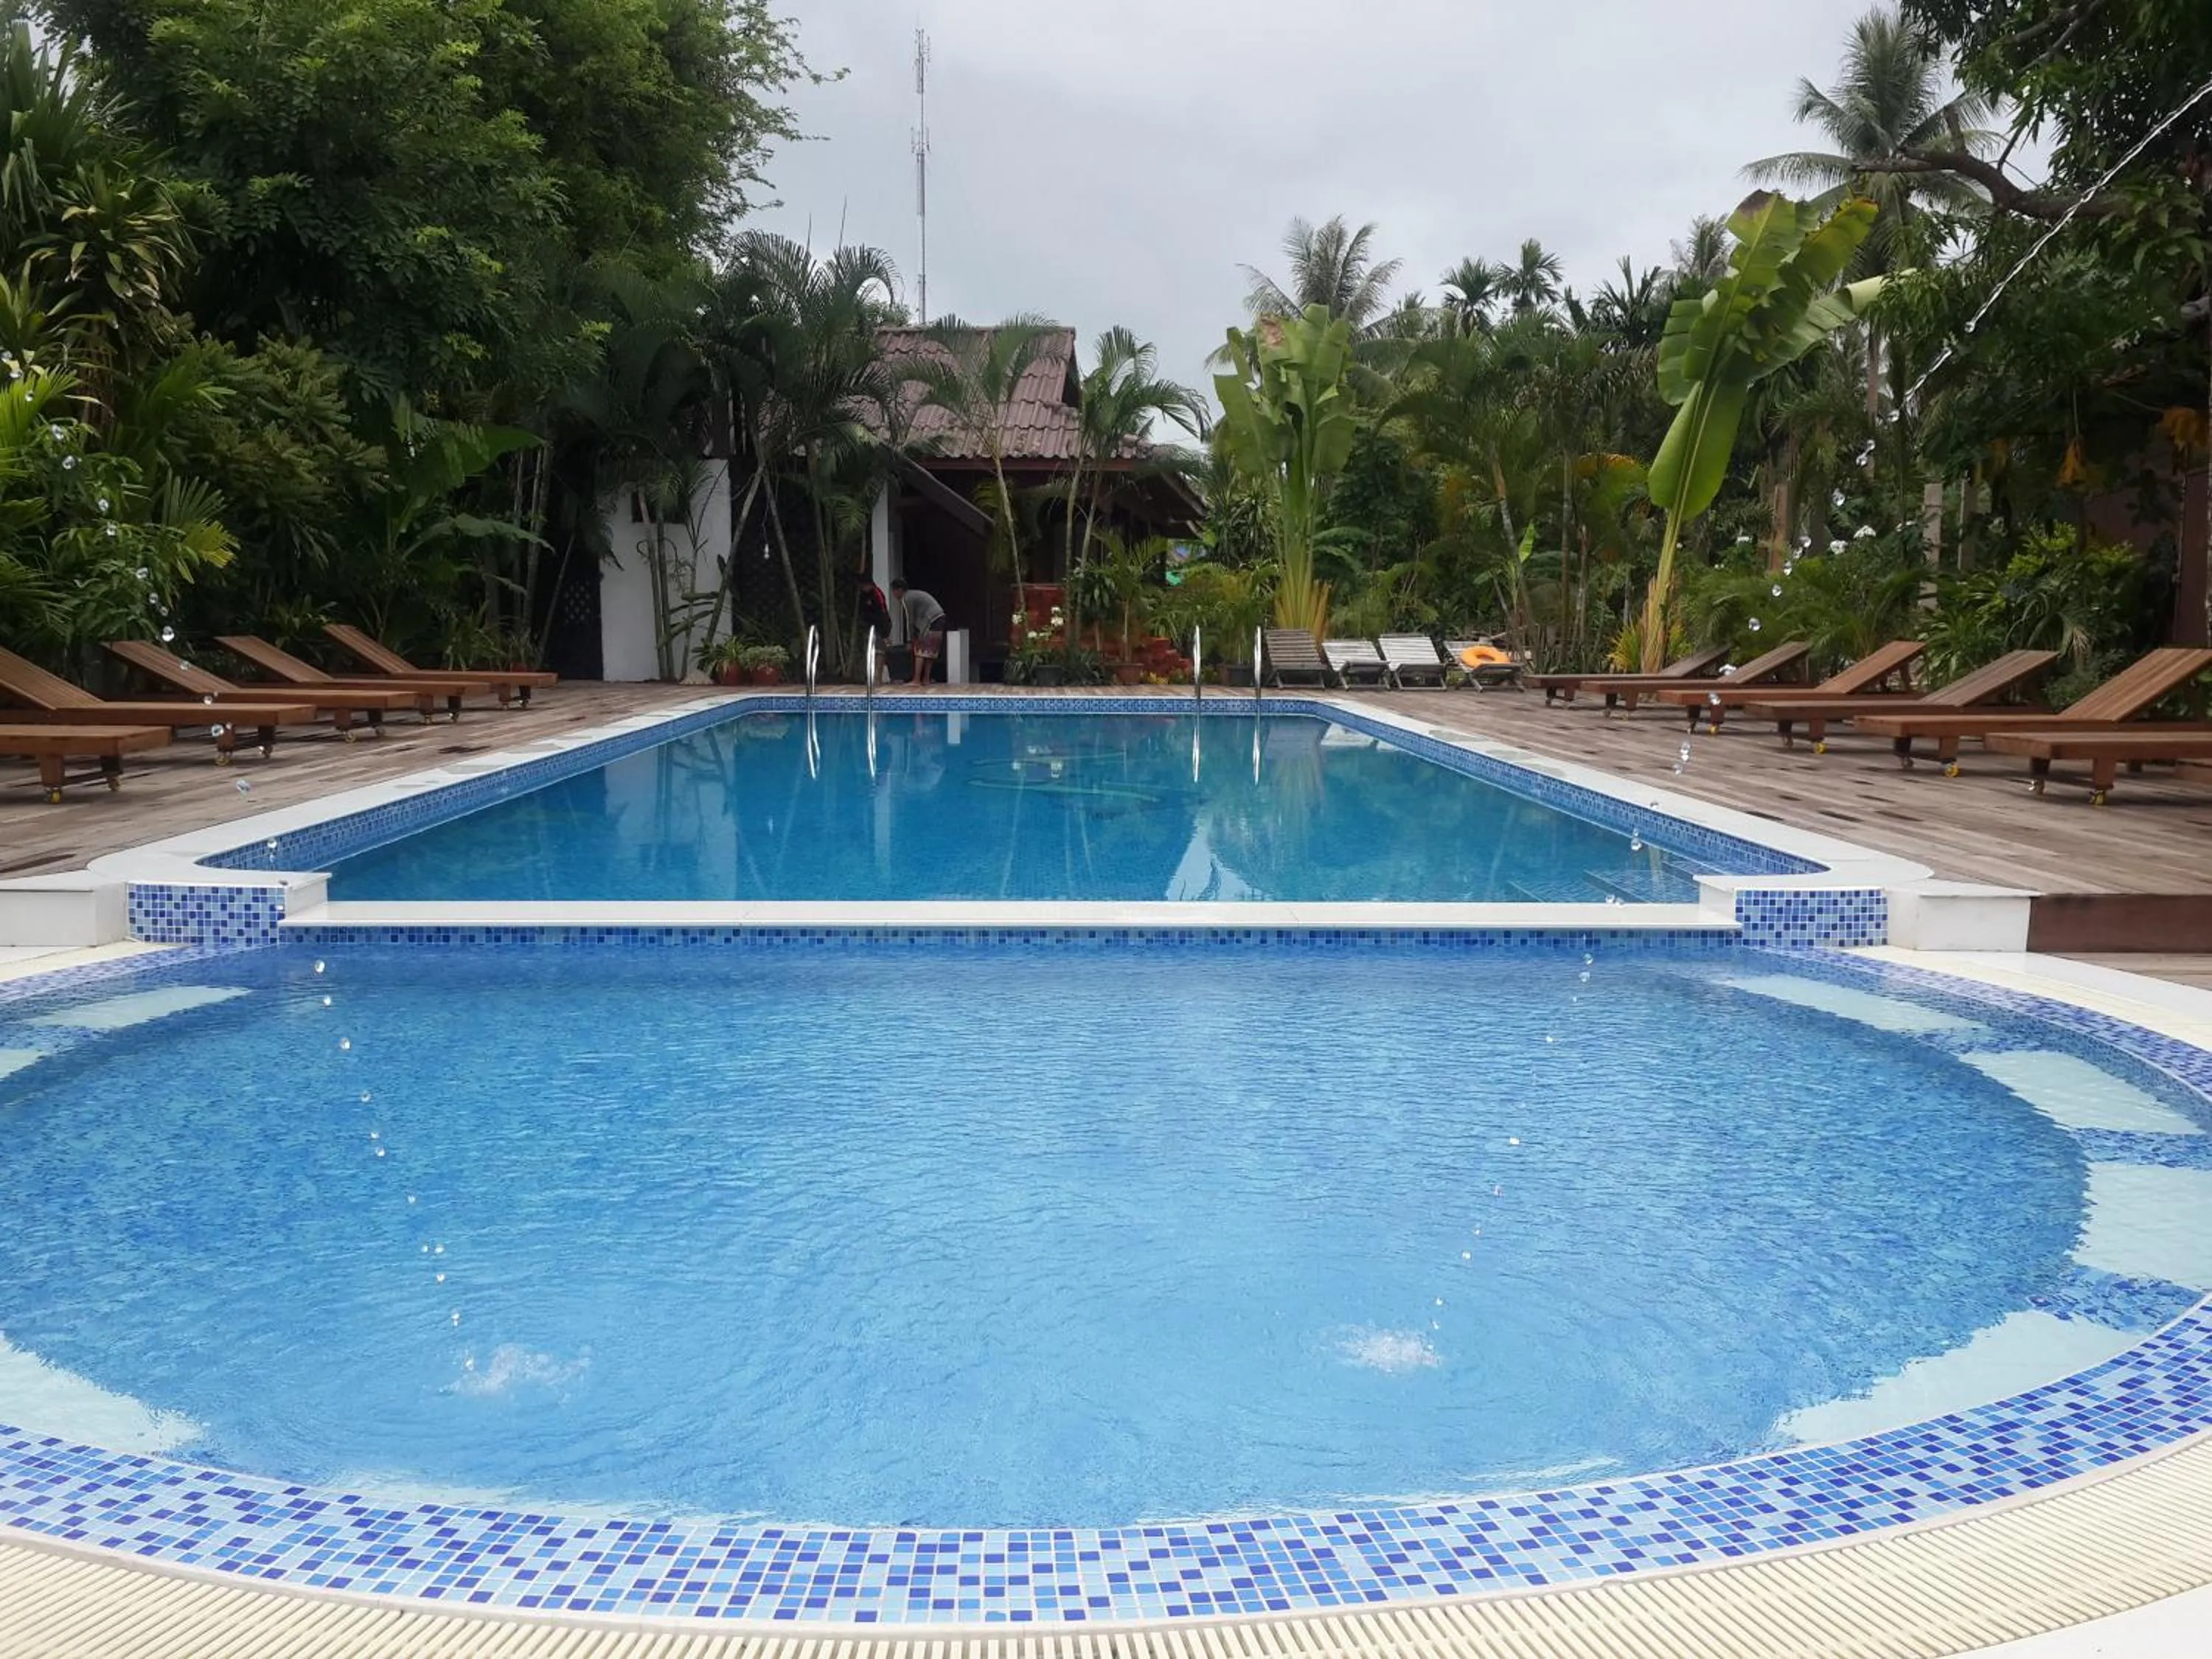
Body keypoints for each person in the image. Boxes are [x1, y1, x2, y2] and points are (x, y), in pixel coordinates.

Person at [891, 577, 945, 687]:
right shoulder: (914, 595)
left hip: (931, 619)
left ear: (899, 590)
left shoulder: (907, 598)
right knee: (930, 651)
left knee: (920, 649)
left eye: (893, 591)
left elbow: (909, 620)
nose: (893, 594)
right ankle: (926, 679)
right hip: (940, 617)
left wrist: (910, 641)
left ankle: (916, 680)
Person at [856, 572, 893, 684]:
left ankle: (878, 678)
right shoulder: (863, 595)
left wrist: (885, 634)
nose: (862, 589)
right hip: (870, 627)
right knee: (870, 651)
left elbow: (883, 614)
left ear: (869, 585)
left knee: (880, 651)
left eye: (863, 587)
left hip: (882, 625)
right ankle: (871, 676)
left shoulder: (877, 594)